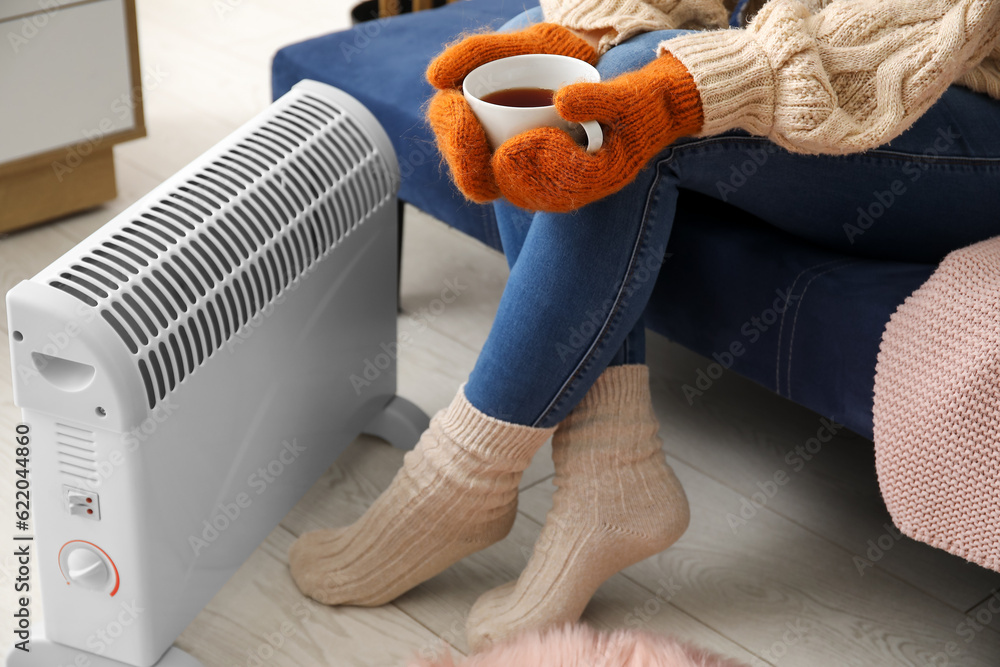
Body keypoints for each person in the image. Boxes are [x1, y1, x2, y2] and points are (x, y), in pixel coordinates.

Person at [288, 0, 1000, 651]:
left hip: (944, 90)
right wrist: (593, 26)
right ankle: (610, 467)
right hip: (787, 37)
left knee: (628, 91)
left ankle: (461, 479)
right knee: (529, 67)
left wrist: (687, 85)